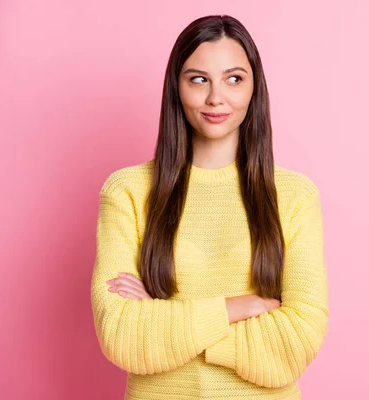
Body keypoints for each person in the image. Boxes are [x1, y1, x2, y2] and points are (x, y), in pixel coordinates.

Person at [90, 14, 329, 400]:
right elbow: (122, 336)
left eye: (234, 79)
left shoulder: (294, 196)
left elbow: (296, 342)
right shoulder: (127, 192)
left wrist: (168, 326)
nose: (216, 97)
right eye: (199, 79)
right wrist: (240, 307)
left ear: (254, 88)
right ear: (177, 87)